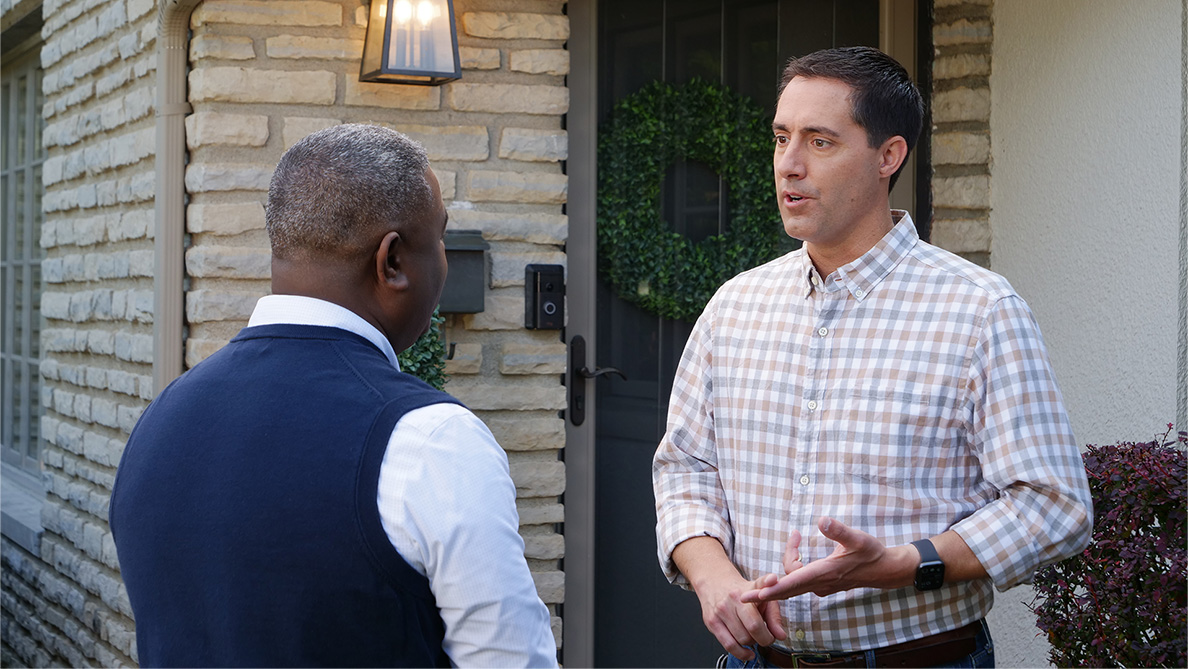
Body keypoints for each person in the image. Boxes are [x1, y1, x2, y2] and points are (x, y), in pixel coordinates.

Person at [653, 46, 1092, 668]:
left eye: (820, 142)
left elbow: (1054, 506)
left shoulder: (979, 310)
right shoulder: (735, 306)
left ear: (889, 156)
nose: (789, 165)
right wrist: (711, 574)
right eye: (781, 139)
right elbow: (685, 467)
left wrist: (904, 564)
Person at [110, 124, 557, 668]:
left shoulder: (162, 417)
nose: (444, 259)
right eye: (439, 237)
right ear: (392, 262)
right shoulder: (431, 440)